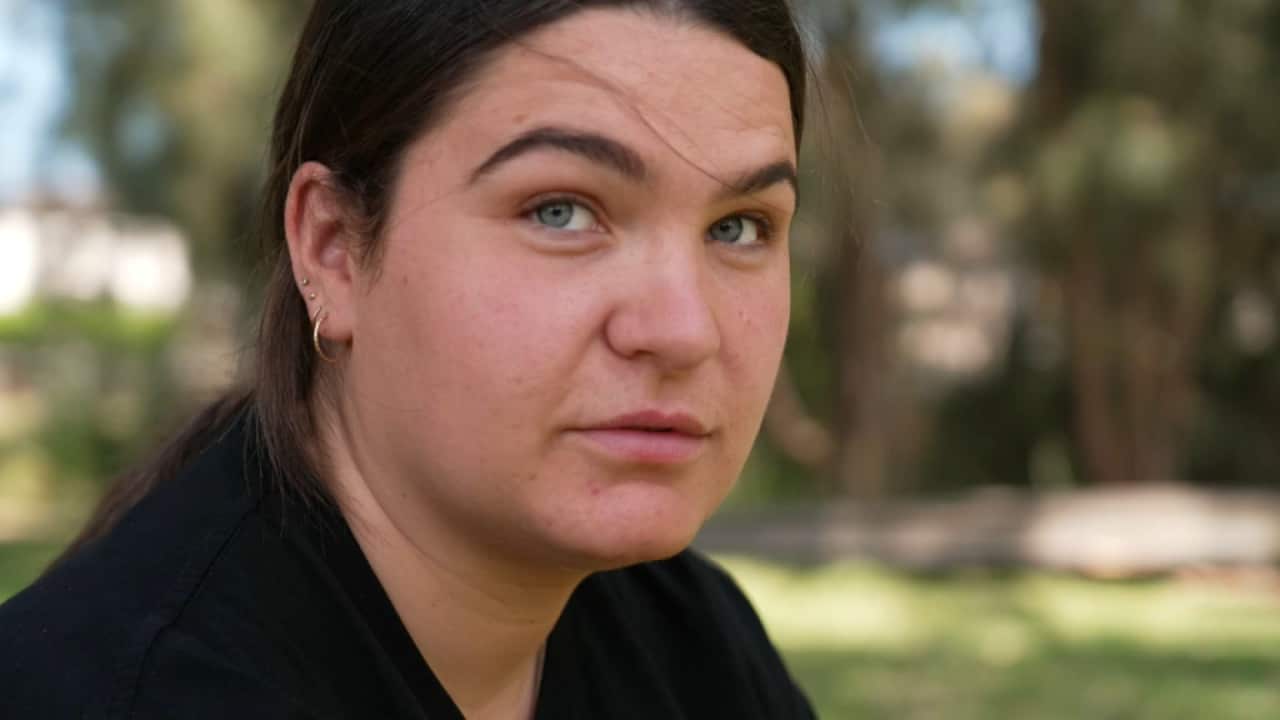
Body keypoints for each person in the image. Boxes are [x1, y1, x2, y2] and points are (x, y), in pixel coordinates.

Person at [0, 1, 815, 717]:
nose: (683, 330)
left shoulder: (690, 644)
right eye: (560, 212)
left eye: (738, 227)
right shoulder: (134, 695)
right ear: (333, 249)